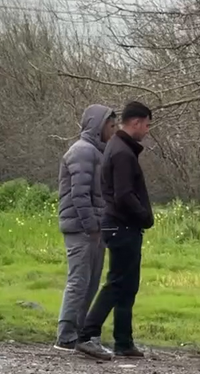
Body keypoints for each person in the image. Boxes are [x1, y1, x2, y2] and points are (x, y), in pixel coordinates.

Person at [75, 101, 154, 361]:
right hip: (122, 225)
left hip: (122, 225)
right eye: (147, 124)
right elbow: (123, 195)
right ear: (136, 122)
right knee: (117, 282)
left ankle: (123, 340)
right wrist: (144, 216)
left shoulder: (120, 148)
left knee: (128, 284)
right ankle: (87, 334)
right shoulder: (121, 152)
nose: (147, 130)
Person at [54, 105, 117, 351]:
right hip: (81, 230)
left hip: (92, 230)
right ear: (98, 125)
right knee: (79, 281)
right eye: (110, 126)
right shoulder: (82, 152)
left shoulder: (96, 152)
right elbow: (79, 195)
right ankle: (66, 334)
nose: (112, 131)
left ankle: (78, 333)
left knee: (90, 282)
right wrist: (92, 226)